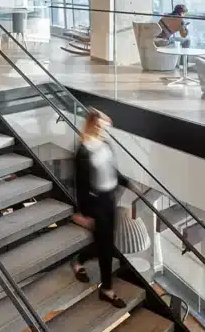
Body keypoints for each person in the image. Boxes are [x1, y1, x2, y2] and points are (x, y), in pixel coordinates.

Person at [71, 109, 126, 308]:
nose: (103, 131)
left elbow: (111, 170)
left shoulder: (106, 145)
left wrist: (127, 183)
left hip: (110, 199)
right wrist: (84, 212)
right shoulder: (83, 151)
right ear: (92, 125)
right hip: (97, 203)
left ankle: (78, 260)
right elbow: (81, 184)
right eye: (101, 127)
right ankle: (107, 290)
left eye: (105, 127)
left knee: (106, 244)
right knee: (105, 247)